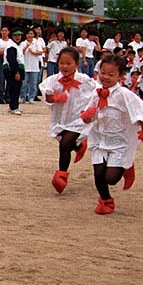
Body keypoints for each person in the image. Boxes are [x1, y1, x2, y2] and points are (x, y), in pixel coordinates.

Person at [79, 54, 143, 215]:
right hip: (99, 139)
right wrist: (86, 116)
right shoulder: (96, 93)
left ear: (120, 76)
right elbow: (86, 115)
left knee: (110, 178)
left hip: (119, 142)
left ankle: (127, 166)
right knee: (98, 174)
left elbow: (140, 111)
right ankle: (106, 201)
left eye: (111, 75)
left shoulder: (124, 94)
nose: (105, 77)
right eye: (103, 73)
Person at [38, 47, 97, 194]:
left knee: (64, 145)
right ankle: (78, 146)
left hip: (78, 120)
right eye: (62, 63)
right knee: (65, 142)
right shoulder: (52, 81)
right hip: (60, 120)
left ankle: (61, 175)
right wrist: (56, 98)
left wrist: (91, 110)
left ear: (77, 64)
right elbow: (48, 96)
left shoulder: (85, 80)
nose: (65, 66)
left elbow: (99, 91)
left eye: (69, 63)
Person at [4, 32, 25, 115]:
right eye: (15, 35)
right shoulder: (11, 46)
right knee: (15, 88)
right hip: (12, 69)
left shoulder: (17, 45)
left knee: (16, 88)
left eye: (19, 35)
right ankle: (14, 107)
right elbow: (12, 60)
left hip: (19, 68)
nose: (18, 37)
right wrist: (16, 72)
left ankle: (13, 105)